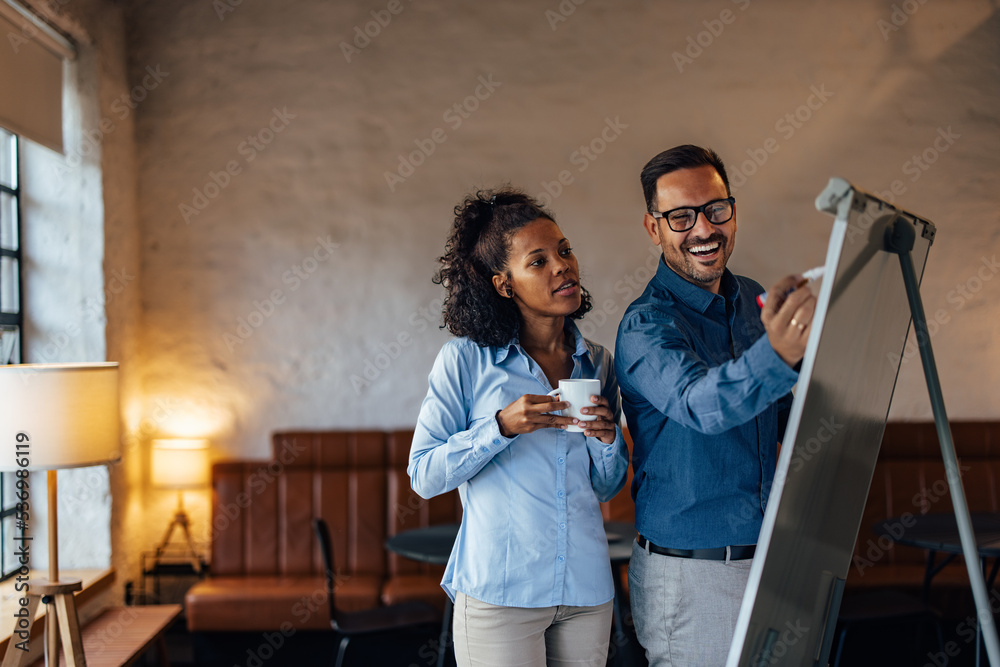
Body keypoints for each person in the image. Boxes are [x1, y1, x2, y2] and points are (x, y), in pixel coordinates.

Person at [408, 187, 630, 667]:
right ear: (504, 284)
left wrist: (609, 440)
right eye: (539, 261)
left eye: (564, 251)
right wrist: (500, 427)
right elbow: (424, 476)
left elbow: (607, 487)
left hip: (586, 591)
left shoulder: (598, 362)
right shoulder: (464, 361)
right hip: (500, 594)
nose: (562, 267)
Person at [615, 145, 817, 666]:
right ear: (652, 228)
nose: (703, 229)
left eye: (715, 209)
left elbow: (778, 412)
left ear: (733, 209)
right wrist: (778, 354)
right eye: (680, 216)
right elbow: (701, 405)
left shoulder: (751, 298)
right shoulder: (645, 327)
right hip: (693, 578)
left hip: (773, 561)